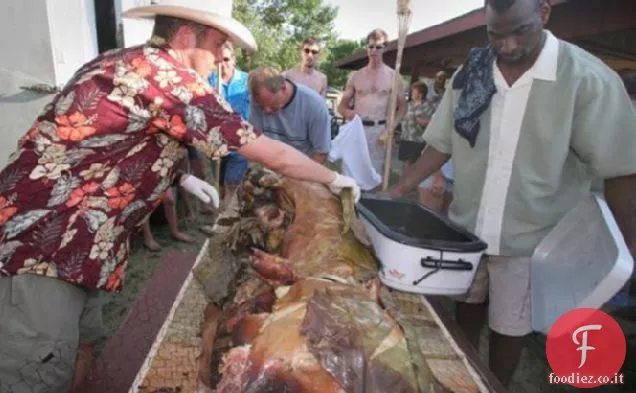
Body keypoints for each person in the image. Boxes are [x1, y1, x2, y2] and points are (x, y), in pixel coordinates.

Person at [0, 1, 359, 391]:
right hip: (45, 241)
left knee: (82, 343)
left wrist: (182, 178)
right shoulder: (168, 77)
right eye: (219, 42)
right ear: (187, 36)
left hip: (89, 243)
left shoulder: (125, 61)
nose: (224, 54)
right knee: (39, 366)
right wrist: (333, 179)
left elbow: (126, 140)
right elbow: (269, 152)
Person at [388, 0, 636, 388]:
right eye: (495, 34)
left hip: (532, 238)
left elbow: (621, 168)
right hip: (468, 229)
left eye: (520, 30)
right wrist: (397, 189)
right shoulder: (471, 72)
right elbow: (441, 143)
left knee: (509, 326)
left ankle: (496, 384)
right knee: (466, 308)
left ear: (544, 13)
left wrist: (629, 246)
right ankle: (461, 380)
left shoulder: (588, 80)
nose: (506, 45)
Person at [337, 28, 408, 177]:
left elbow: (402, 107)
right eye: (370, 46)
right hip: (357, 128)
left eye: (378, 47)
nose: (374, 50)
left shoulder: (393, 76)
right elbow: (341, 106)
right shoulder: (356, 76)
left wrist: (391, 128)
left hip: (379, 130)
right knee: (350, 173)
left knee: (374, 174)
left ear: (385, 48)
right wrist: (349, 113)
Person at [249, 66, 332, 165]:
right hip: (271, 166)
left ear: (283, 88)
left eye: (271, 103)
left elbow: (321, 154)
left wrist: (300, 178)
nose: (266, 110)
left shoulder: (314, 106)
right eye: (261, 106)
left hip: (304, 167)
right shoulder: (258, 101)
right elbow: (256, 141)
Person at [209, 41, 252, 206]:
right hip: (217, 140)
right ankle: (220, 213)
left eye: (226, 59)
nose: (222, 64)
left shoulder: (247, 80)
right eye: (218, 60)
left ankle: (225, 219)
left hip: (240, 141)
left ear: (234, 59)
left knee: (232, 183)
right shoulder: (210, 80)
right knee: (218, 184)